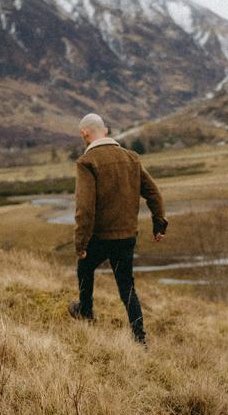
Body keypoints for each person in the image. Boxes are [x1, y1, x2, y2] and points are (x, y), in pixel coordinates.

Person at [69, 113, 167, 346]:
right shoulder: (131, 158)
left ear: (85, 134)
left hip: (101, 237)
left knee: (85, 267)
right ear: (105, 131)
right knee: (126, 285)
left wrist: (81, 242)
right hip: (127, 236)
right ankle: (139, 337)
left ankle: (85, 311)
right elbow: (154, 193)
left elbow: (85, 207)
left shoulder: (87, 162)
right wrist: (158, 223)